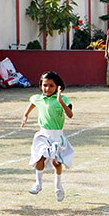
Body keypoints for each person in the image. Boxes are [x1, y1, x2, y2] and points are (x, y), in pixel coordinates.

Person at [21, 71, 74, 202]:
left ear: (58, 87)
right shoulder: (38, 98)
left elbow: (70, 114)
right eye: (45, 85)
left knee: (56, 163)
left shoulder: (63, 99)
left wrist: (60, 100)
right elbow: (32, 104)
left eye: (51, 86)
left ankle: (58, 186)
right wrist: (25, 115)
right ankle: (38, 184)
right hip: (43, 134)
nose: (47, 88)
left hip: (57, 136)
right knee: (41, 156)